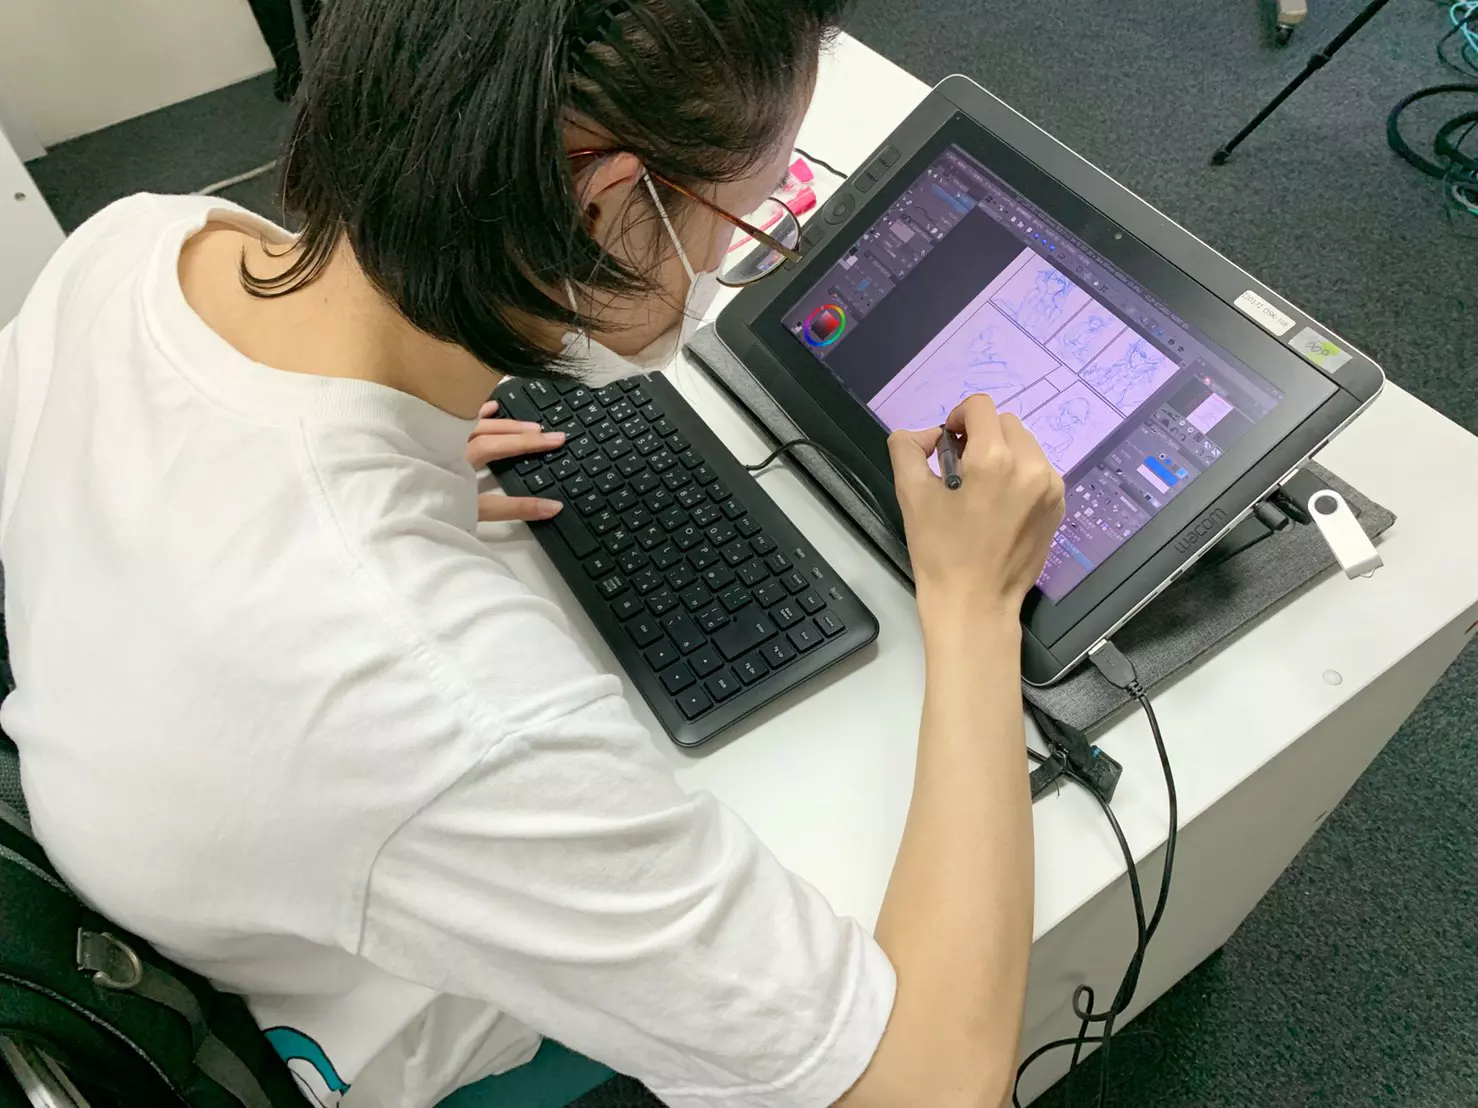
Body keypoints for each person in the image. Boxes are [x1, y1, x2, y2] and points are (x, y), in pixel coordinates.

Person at [0, 1, 1066, 1106]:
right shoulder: (446, 707)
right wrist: (973, 608)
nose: (730, 257)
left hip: (148, 831)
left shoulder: (138, 243)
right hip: (334, 1007)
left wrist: (408, 453)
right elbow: (927, 1087)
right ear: (606, 209)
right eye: (743, 218)